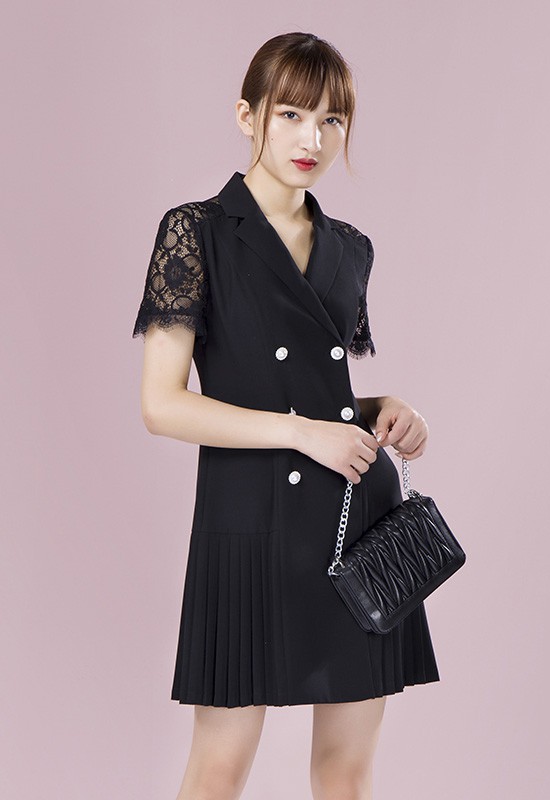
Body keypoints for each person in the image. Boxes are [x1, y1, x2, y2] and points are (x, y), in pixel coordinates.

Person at [132, 31, 440, 800]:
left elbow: (321, 391)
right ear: (248, 116)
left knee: (346, 773)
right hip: (247, 523)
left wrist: (384, 409)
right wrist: (303, 434)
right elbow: (162, 405)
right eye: (292, 114)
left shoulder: (350, 248)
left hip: (354, 522)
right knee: (218, 769)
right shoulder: (196, 231)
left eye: (332, 120)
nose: (313, 139)